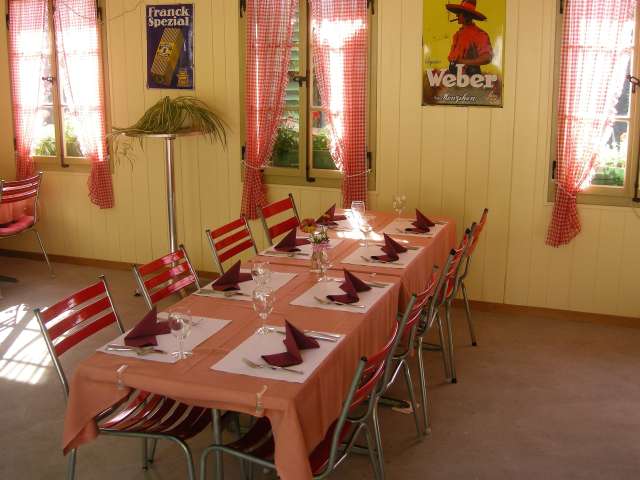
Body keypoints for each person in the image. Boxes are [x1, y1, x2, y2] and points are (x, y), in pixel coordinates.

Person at [446, 0, 493, 76]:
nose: (457, 15)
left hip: (471, 77)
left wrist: (462, 62)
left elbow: (487, 58)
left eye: (459, 13)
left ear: (467, 15)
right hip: (454, 77)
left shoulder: (479, 34)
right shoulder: (457, 35)